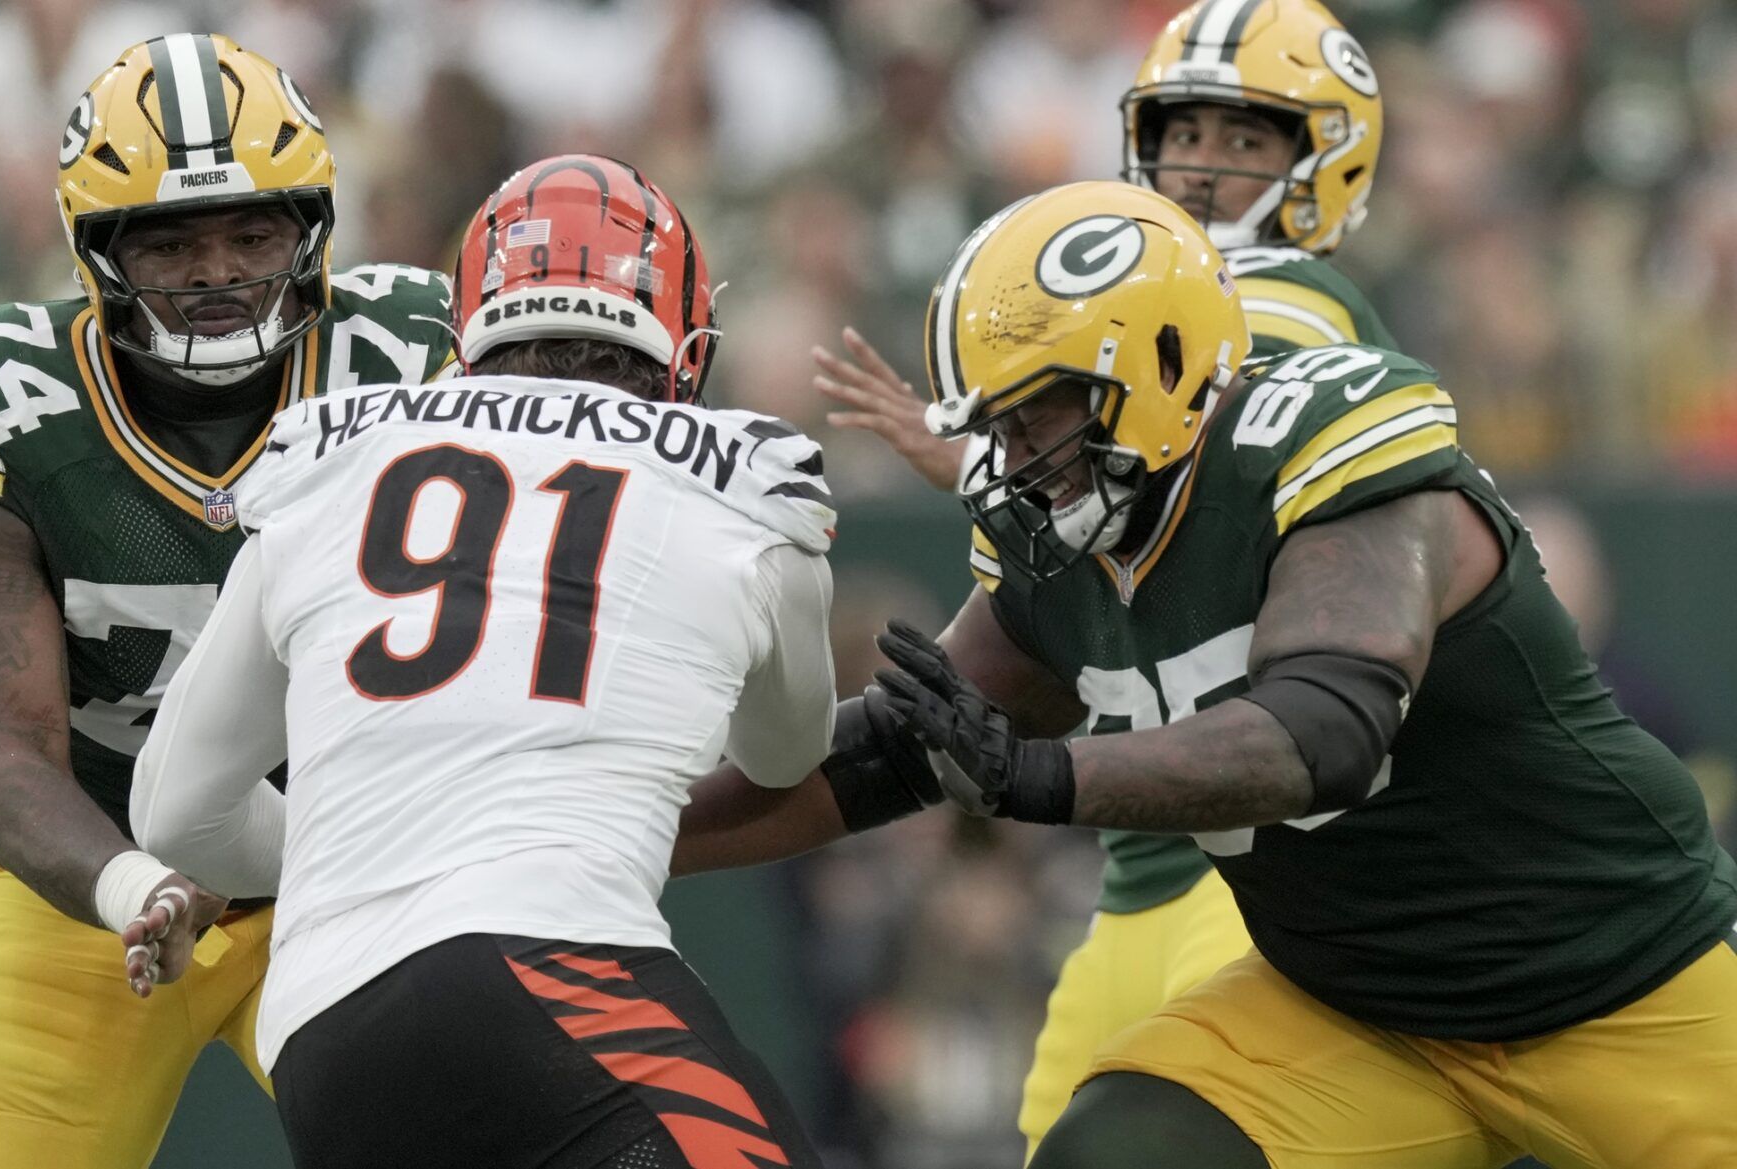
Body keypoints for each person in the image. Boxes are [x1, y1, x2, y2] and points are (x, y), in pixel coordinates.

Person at [847, 180, 1737, 1166]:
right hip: (1354, 1007)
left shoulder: (1334, 443)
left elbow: (1323, 733)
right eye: (996, 422)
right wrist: (648, 820)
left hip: (1621, 981)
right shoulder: (1073, 545)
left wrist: (1044, 777)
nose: (1013, 454)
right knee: (1120, 1153)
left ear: (1166, 364)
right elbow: (885, 749)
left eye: (1038, 410)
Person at [124, 154, 836, 1169]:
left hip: (324, 1045)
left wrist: (360, 837)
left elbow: (174, 812)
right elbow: (787, 753)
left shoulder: (328, 466)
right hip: (551, 961)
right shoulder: (739, 492)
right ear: (691, 345)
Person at [811, 0, 1400, 1153]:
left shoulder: (1293, 308)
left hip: (1267, 854)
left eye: (1248, 142)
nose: (1205, 169)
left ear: (1326, 162)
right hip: (1143, 861)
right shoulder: (1136, 331)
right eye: (1188, 135)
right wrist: (1013, 447)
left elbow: (1207, 412)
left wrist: (1002, 443)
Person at [0, 33, 454, 1168]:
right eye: (170, 240)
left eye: (253, 230)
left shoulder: (414, 360)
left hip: (349, 871)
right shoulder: (9, 403)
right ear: (95, 249)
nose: (217, 270)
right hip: (90, 884)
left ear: (310, 231)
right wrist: (132, 885)